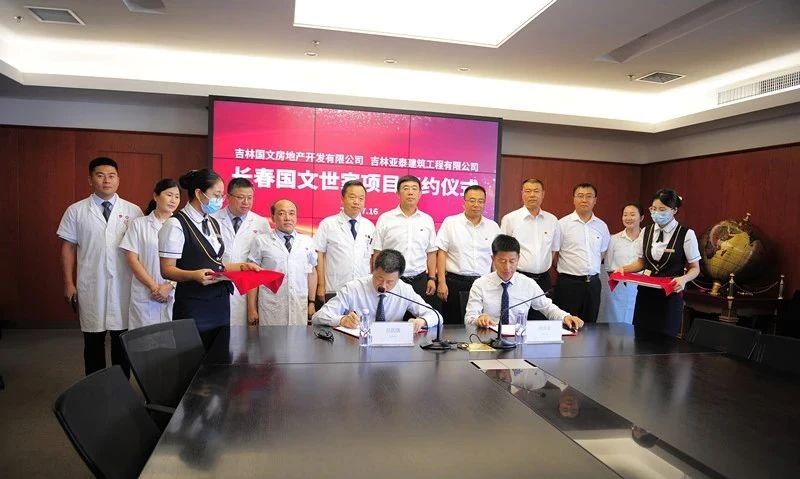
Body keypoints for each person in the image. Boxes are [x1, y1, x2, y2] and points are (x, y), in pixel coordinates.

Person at [57, 157, 143, 376]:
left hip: (124, 285)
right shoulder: (76, 211)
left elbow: (142, 250)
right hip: (91, 284)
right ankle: (95, 387)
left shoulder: (133, 211)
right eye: (100, 175)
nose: (107, 180)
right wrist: (68, 283)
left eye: (111, 176)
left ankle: (121, 388)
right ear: (90, 179)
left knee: (122, 341)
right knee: (93, 342)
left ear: (118, 179)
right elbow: (68, 248)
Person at [158, 169, 261, 350]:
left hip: (219, 304)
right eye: (216, 195)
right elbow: (167, 269)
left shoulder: (212, 222)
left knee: (219, 357)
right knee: (193, 357)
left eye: (221, 196)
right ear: (199, 193)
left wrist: (242, 266)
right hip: (194, 304)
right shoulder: (176, 224)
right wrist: (194, 275)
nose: (220, 201)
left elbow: (215, 264)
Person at [618, 189, 700, 337]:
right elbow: (641, 263)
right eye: (654, 209)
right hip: (646, 294)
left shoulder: (686, 234)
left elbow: (695, 268)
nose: (657, 213)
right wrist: (624, 269)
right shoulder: (646, 231)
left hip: (670, 295)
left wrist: (683, 279)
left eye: (662, 209)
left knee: (665, 341)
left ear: (674, 210)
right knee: (641, 338)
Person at [464, 235, 583, 331]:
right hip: (488, 339)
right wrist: (479, 319)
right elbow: (469, 317)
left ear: (518, 259)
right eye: (502, 261)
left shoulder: (528, 284)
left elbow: (547, 307)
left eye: (512, 261)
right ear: (493, 259)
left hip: (518, 340)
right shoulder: (480, 284)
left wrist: (565, 317)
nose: (507, 267)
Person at [312, 249, 440, 332]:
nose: (383, 286)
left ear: (399, 278)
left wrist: (422, 321)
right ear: (373, 270)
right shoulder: (353, 288)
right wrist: (342, 320)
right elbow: (318, 317)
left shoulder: (404, 290)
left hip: (391, 350)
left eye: (390, 282)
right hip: (356, 347)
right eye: (379, 278)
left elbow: (436, 316)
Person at [119, 178, 180, 330]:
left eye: (177, 196)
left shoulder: (181, 225)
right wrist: (154, 287)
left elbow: (186, 262)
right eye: (169, 195)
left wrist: (170, 286)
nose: (173, 200)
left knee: (170, 338)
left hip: (172, 292)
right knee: (144, 339)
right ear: (156, 196)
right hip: (145, 292)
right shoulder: (139, 224)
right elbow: (132, 259)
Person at [372, 175, 439, 312]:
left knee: (417, 319)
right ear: (398, 193)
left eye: (414, 189)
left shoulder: (427, 220)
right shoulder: (385, 218)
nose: (410, 192)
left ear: (420, 194)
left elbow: (431, 252)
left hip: (419, 280)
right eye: (406, 188)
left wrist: (431, 278)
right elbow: (377, 252)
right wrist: (377, 278)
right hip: (391, 280)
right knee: (390, 318)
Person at [435, 185, 501, 324]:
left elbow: (495, 258)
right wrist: (441, 282)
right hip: (455, 282)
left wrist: (496, 284)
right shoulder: (451, 222)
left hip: (483, 283)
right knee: (453, 325)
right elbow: (442, 252)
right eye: (472, 200)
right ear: (464, 202)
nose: (476, 204)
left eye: (480, 201)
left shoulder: (493, 226)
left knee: (481, 324)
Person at [247, 199, 317, 326]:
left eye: (291, 213)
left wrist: (311, 302)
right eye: (281, 213)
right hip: (271, 306)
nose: (287, 218)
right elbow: (252, 276)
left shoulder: (307, 242)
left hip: (299, 304)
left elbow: (311, 273)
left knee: (298, 338)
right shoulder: (261, 241)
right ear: (273, 217)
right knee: (271, 339)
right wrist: (251, 308)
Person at [500, 178, 560, 321]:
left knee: (540, 322)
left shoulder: (552, 220)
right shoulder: (510, 219)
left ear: (543, 194)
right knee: (516, 321)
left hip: (543, 279)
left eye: (536, 191)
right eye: (528, 191)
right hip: (518, 278)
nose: (532, 195)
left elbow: (553, 250)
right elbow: (502, 250)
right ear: (522, 194)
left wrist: (539, 266)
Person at [211, 177, 270, 325]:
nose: (246, 202)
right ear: (228, 197)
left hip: (246, 288)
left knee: (241, 333)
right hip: (216, 283)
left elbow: (263, 259)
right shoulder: (212, 219)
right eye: (241, 197)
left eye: (250, 198)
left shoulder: (261, 223)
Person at [553, 183, 610, 323]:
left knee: (591, 325)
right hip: (568, 285)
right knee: (566, 326)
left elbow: (602, 253)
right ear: (574, 199)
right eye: (580, 196)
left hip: (593, 285)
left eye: (589, 196)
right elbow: (554, 254)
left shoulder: (602, 226)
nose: (584, 200)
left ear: (595, 200)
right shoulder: (562, 224)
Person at [314, 180, 375, 304]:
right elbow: (319, 254)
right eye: (352, 197)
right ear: (342, 199)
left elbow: (371, 258)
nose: (356, 202)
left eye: (361, 198)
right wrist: (321, 285)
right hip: (335, 287)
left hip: (362, 289)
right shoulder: (328, 224)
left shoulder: (369, 226)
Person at [599, 203, 643, 323]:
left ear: (641, 217)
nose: (628, 218)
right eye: (625, 215)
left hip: (641, 286)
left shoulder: (646, 239)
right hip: (618, 288)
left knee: (637, 321)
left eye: (632, 215)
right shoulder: (614, 239)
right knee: (615, 321)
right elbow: (608, 266)